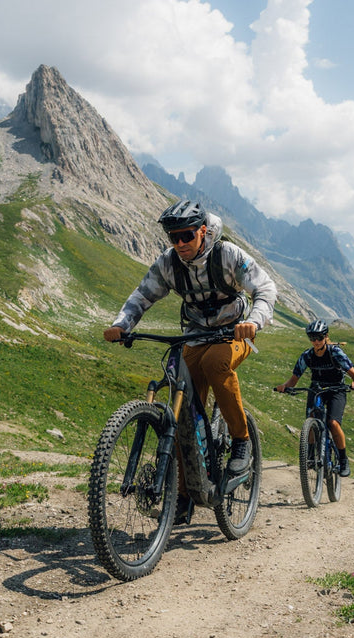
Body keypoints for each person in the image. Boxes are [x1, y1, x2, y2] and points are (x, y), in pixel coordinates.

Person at [104, 199, 277, 521]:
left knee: (215, 364)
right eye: (174, 238)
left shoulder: (228, 255)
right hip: (194, 332)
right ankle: (182, 497)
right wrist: (121, 325)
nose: (180, 244)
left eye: (186, 236)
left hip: (235, 332)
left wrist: (254, 321)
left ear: (202, 231)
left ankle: (240, 442)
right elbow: (142, 296)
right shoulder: (169, 264)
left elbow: (265, 289)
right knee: (182, 412)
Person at [274, 320, 354, 477]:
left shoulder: (335, 352)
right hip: (316, 389)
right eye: (312, 338)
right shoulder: (307, 356)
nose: (315, 341)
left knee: (333, 423)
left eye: (319, 338)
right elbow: (294, 379)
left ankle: (343, 460)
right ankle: (310, 454)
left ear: (326, 337)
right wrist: (285, 386)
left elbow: (353, 373)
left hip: (336, 389)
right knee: (312, 417)